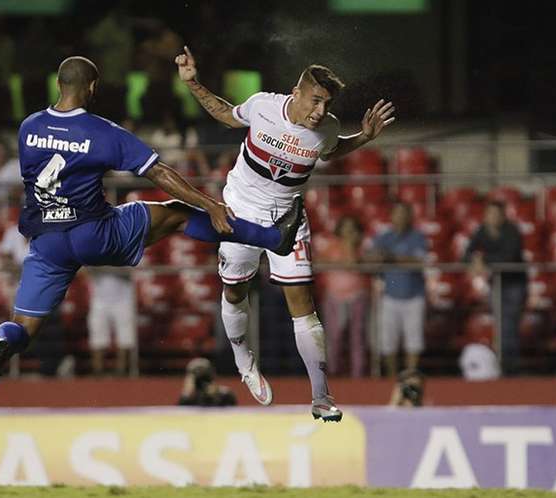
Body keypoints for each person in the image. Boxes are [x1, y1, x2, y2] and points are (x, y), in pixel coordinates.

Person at [0, 56, 304, 396]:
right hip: (95, 233)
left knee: (23, 325)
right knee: (177, 213)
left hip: (46, 242)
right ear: (92, 88)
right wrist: (209, 203)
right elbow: (159, 172)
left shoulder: (28, 127)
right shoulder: (102, 132)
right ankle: (273, 238)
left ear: (59, 85)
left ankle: (1, 344)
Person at [176, 46, 395, 422]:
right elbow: (227, 116)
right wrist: (192, 82)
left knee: (303, 307)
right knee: (235, 292)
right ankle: (245, 364)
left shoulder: (325, 128)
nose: (320, 111)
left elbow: (331, 150)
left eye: (326, 104)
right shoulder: (263, 106)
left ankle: (321, 396)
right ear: (296, 92)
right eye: (315, 101)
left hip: (287, 222)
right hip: (239, 212)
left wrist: (363, 137)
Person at [464, 201, 528, 375]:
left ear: (503, 216)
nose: (493, 218)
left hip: (514, 284)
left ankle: (510, 366)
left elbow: (510, 256)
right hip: (497, 284)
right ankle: (504, 363)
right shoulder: (482, 231)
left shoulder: (512, 231)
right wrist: (475, 259)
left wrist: (483, 260)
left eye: (497, 214)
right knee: (501, 324)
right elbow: (467, 253)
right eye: (490, 214)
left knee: (509, 324)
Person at [368, 202, 428, 378]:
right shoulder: (384, 237)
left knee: (414, 340)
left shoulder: (418, 237)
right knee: (388, 341)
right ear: (391, 216)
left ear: (410, 216)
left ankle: (410, 378)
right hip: (390, 296)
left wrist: (392, 258)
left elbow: (420, 261)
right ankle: (393, 378)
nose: (400, 217)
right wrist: (379, 258)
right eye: (397, 213)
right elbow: (371, 257)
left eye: (404, 214)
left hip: (414, 295)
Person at [316, 216, 370, 377]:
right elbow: (318, 263)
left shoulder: (362, 246)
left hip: (357, 296)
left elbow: (356, 262)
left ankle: (358, 373)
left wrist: (352, 247)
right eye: (346, 228)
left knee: (357, 335)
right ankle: (333, 371)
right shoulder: (331, 246)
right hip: (334, 297)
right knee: (335, 335)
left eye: (352, 228)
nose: (348, 232)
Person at [86, 268, 137, 376]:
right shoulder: (95, 251)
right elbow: (87, 267)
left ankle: (122, 371)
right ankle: (97, 371)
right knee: (97, 334)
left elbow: (130, 269)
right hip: (99, 300)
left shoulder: (125, 250)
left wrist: (103, 265)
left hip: (123, 299)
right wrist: (111, 265)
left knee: (125, 336)